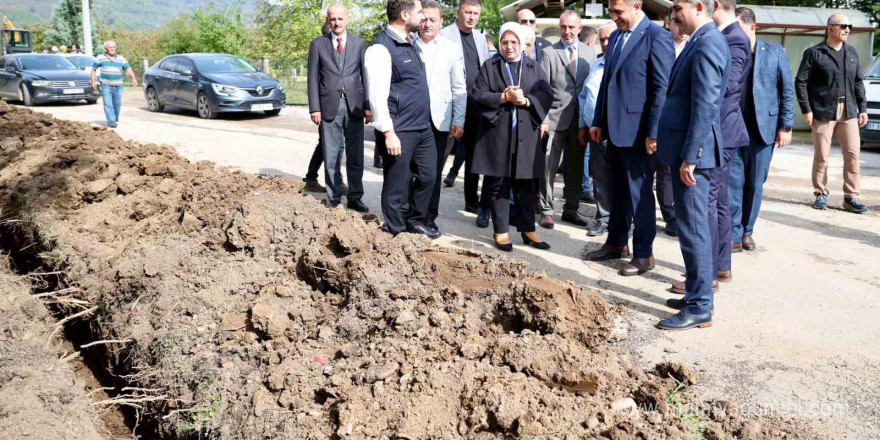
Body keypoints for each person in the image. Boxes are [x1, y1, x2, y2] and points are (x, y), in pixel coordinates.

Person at [586, 0, 674, 277]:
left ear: (637, 6)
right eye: (612, 11)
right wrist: (599, 120)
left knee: (639, 195)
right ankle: (616, 243)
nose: (614, 17)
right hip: (614, 129)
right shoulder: (616, 37)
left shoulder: (657, 36)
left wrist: (653, 132)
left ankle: (644, 254)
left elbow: (662, 88)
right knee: (618, 191)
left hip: (639, 133)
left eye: (618, 12)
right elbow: (607, 83)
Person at [656, 0, 730, 330]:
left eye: (678, 9)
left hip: (694, 156)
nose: (673, 16)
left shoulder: (709, 42)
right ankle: (696, 296)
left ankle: (700, 304)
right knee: (691, 227)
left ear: (698, 6)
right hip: (687, 150)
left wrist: (692, 156)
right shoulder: (700, 40)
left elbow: (706, 104)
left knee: (695, 229)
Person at [471, 22, 554, 251]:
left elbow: (546, 93)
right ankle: (501, 231)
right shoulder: (490, 65)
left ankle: (529, 230)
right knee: (499, 184)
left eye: (514, 42)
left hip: (526, 135)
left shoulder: (533, 66)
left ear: (523, 44)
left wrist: (526, 101)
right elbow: (477, 95)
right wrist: (503, 98)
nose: (509, 47)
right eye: (504, 42)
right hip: (498, 135)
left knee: (526, 185)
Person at [366, 0, 439, 239]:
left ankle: (415, 220)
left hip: (422, 127)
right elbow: (377, 95)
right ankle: (396, 231)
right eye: (419, 12)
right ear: (405, 15)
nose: (423, 17)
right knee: (396, 184)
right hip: (399, 129)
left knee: (428, 176)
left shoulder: (410, 43)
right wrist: (388, 132)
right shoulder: (381, 48)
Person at [728, 7, 794, 252]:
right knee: (733, 183)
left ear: (752, 27)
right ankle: (734, 234)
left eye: (739, 28)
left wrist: (786, 126)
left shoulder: (775, 52)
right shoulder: (730, 51)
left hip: (762, 131)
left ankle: (747, 231)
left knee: (755, 183)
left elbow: (787, 91)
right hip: (733, 128)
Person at [795, 13, 869, 213]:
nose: (847, 29)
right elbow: (801, 81)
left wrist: (862, 108)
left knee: (853, 153)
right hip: (822, 110)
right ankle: (820, 193)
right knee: (822, 155)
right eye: (843, 26)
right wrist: (807, 109)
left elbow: (858, 82)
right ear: (830, 28)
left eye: (849, 26)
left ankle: (851, 196)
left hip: (849, 111)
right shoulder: (814, 53)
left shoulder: (852, 53)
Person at [307, 4, 371, 212]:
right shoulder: (318, 45)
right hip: (328, 108)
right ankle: (334, 198)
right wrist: (314, 108)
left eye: (340, 19)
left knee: (355, 156)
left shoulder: (359, 44)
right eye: (332, 19)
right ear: (328, 20)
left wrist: (368, 106)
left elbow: (365, 77)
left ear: (347, 19)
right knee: (332, 154)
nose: (336, 23)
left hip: (354, 108)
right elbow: (313, 78)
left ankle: (355, 197)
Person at [538, 10, 596, 229]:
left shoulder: (589, 54)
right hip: (553, 120)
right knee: (548, 167)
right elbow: (543, 90)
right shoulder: (550, 53)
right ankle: (546, 210)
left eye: (571, 27)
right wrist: (543, 119)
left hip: (579, 122)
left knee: (575, 168)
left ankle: (571, 210)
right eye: (563, 26)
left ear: (579, 29)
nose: (567, 31)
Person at [707, 0, 750, 285]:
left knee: (709, 202)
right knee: (719, 201)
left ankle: (707, 273)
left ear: (717, 4)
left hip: (722, 131)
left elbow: (728, 86)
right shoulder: (725, 35)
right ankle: (720, 267)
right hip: (721, 131)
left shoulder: (734, 38)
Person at [417, 0, 467, 233]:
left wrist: (458, 119)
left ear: (441, 22)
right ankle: (409, 216)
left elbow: (459, 87)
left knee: (433, 173)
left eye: (432, 20)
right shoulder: (407, 44)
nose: (427, 24)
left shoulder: (450, 48)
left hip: (440, 121)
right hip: (411, 119)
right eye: (423, 18)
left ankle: (429, 217)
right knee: (408, 170)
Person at [440, 0, 492, 223]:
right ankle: (425, 198)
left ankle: (471, 200)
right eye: (468, 12)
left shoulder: (480, 38)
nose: (472, 17)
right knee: (442, 152)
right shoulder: (444, 35)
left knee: (473, 155)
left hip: (476, 104)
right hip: (450, 104)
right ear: (458, 13)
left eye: (475, 13)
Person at [577, 24, 616, 237]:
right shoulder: (597, 64)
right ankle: (603, 218)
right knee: (599, 178)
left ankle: (622, 222)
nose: (606, 43)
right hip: (596, 132)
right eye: (602, 39)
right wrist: (583, 125)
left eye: (610, 38)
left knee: (620, 179)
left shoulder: (625, 63)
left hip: (619, 133)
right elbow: (585, 96)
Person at [90, 41, 138, 128]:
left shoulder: (121, 58)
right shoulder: (100, 58)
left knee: (117, 105)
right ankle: (111, 121)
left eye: (114, 47)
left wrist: (134, 78)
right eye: (110, 47)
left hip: (118, 86)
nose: (112, 49)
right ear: (106, 48)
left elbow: (128, 69)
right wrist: (93, 82)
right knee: (108, 104)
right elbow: (93, 69)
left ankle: (114, 119)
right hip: (106, 85)